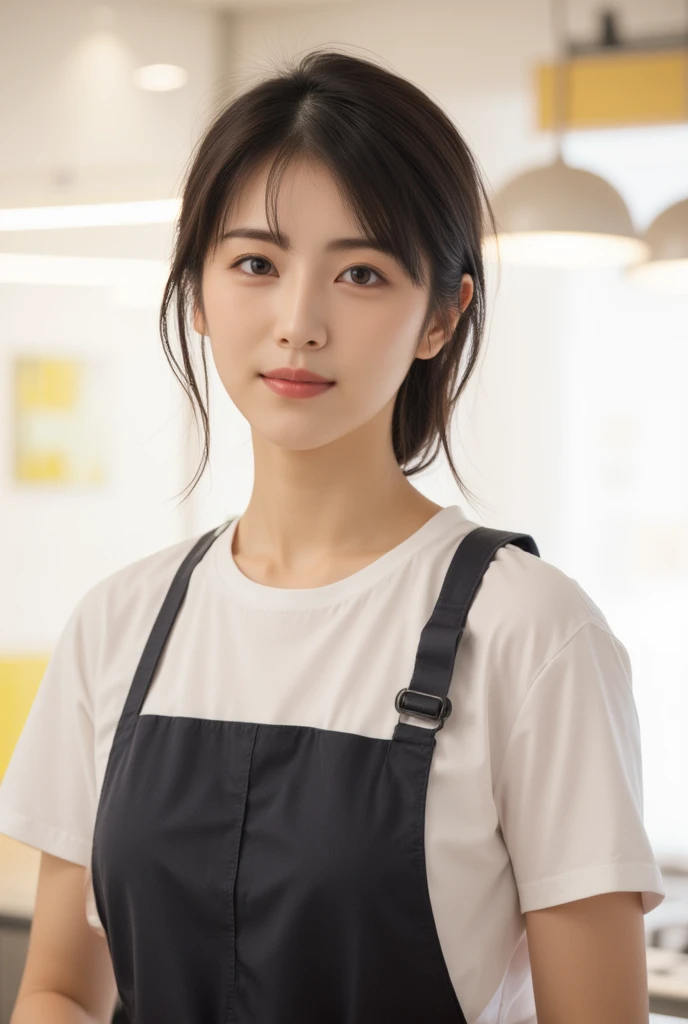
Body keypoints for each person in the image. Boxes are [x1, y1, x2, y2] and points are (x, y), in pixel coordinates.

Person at [0, 48, 665, 1024]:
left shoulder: (536, 633)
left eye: (360, 272)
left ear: (442, 314)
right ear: (197, 289)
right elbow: (58, 986)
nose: (298, 322)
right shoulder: (121, 622)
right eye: (256, 263)